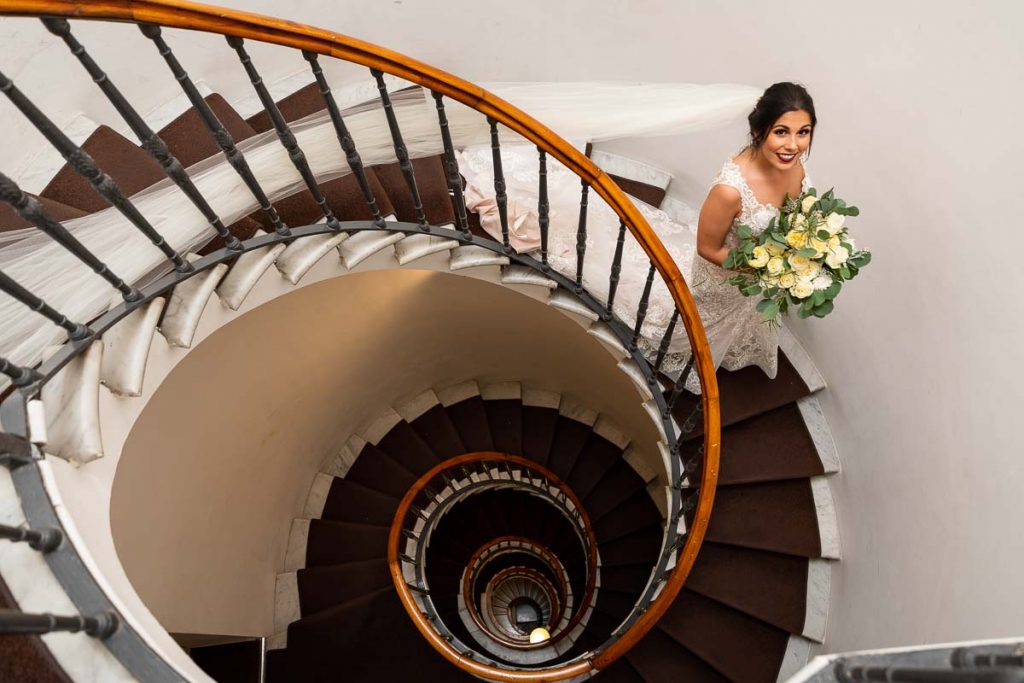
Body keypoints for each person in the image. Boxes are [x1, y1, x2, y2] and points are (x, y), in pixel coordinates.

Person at [690, 81, 815, 382]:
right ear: (759, 130)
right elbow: (707, 248)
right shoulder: (730, 190)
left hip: (760, 282)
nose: (793, 145)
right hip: (726, 281)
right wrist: (766, 269)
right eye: (781, 131)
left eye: (803, 132)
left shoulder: (795, 164)